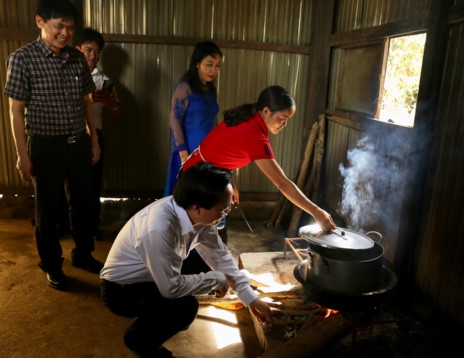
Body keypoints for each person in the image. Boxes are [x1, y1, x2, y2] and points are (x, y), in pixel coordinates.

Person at [100, 162, 273, 358]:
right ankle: (139, 338)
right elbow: (170, 288)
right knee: (184, 308)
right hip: (122, 289)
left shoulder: (197, 215)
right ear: (198, 207)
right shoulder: (159, 229)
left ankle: (152, 319)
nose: (225, 213)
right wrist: (215, 279)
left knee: (205, 266)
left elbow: (220, 256)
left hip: (151, 273)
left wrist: (251, 299)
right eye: (223, 209)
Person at [4, 0, 103, 290]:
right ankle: (52, 265)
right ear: (40, 22)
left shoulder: (75, 58)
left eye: (70, 27)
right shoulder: (22, 59)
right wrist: (22, 155)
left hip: (78, 143)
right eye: (59, 26)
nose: (65, 33)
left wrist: (93, 139)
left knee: (84, 203)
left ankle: (83, 255)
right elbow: (15, 111)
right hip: (45, 146)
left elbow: (86, 101)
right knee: (49, 210)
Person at [182, 85, 337, 233]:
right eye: (282, 118)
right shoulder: (254, 136)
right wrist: (316, 212)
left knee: (210, 235)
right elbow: (282, 183)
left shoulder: (249, 116)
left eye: (287, 119)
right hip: (196, 184)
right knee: (200, 236)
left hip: (198, 174)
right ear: (266, 111)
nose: (284, 124)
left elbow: (224, 153)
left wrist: (231, 182)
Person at [74, 27, 121, 241]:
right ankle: (73, 227)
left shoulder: (104, 79)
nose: (93, 56)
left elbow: (116, 111)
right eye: (88, 50)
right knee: (73, 186)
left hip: (96, 137)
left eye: (97, 51)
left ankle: (92, 227)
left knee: (93, 186)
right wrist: (86, 100)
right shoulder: (68, 76)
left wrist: (110, 103)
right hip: (72, 136)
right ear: (78, 49)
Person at [164, 41, 222, 197]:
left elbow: (213, 121)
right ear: (197, 63)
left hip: (207, 152)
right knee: (185, 199)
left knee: (204, 199)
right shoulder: (185, 87)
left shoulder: (210, 90)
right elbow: (174, 120)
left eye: (217, 65)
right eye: (209, 64)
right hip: (188, 152)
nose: (213, 70)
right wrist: (184, 155)